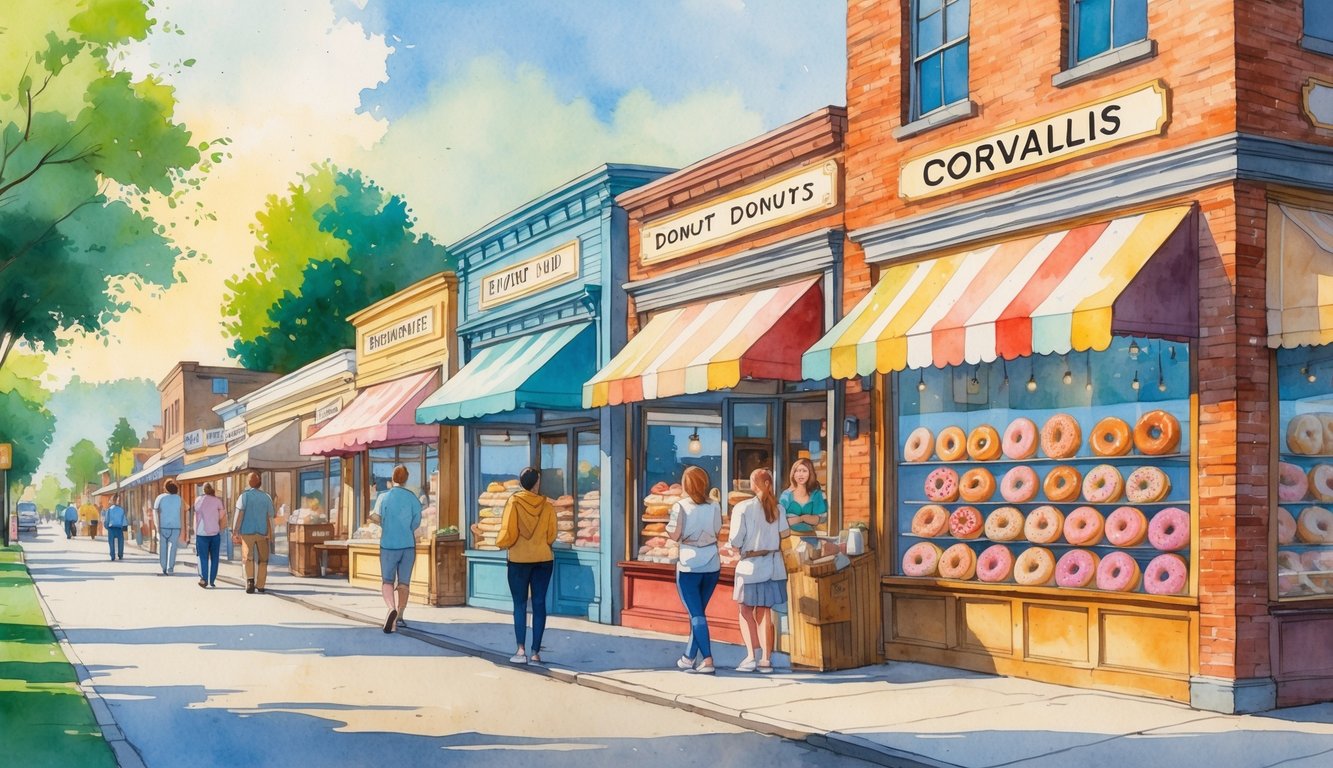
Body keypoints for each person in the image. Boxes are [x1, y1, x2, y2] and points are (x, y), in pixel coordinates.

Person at [728, 467, 791, 673]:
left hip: (751, 567)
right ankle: (766, 660)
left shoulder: (742, 508)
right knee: (765, 611)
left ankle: (750, 656)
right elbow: (785, 533)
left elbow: (735, 539)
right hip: (773, 564)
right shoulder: (779, 508)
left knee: (745, 610)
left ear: (752, 485)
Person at [495, 467, 556, 665]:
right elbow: (552, 535)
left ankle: (520, 650)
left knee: (519, 605)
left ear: (521, 483)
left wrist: (490, 538)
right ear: (537, 483)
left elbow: (508, 534)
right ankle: (536, 653)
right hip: (543, 560)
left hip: (519, 560)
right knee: (539, 605)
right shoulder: (547, 505)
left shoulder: (514, 501)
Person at [666, 465, 723, 675]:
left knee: (696, 614)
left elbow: (674, 534)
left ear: (685, 485)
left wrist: (669, 529)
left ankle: (707, 660)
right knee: (698, 613)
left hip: (689, 563)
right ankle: (689, 658)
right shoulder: (715, 506)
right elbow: (718, 530)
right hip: (712, 564)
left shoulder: (679, 506)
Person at [371, 465, 422, 633]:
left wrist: (383, 522)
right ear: (406, 479)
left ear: (392, 479)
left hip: (388, 545)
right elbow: (416, 523)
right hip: (408, 545)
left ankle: (391, 608)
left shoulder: (383, 497)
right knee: (404, 583)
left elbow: (376, 517)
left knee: (387, 581)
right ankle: (400, 615)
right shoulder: (413, 498)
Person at [232, 472, 275, 594]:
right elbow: (270, 516)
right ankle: (261, 584)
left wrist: (235, 531)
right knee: (264, 559)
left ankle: (250, 581)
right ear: (259, 482)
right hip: (262, 532)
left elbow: (239, 515)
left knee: (248, 558)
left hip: (247, 532)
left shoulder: (244, 496)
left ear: (248, 482)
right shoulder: (266, 497)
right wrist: (271, 533)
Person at [192, 483, 227, 589]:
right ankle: (212, 580)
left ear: (203, 491)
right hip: (215, 533)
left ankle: (204, 579)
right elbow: (222, 516)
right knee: (215, 557)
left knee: (203, 557)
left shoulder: (198, 500)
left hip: (201, 533)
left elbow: (196, 512)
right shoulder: (218, 501)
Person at [779, 458, 828, 534]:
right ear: (793, 473)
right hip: (788, 539)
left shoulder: (816, 494)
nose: (800, 474)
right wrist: (803, 518)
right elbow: (781, 521)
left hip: (811, 537)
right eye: (798, 471)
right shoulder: (786, 495)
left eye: (804, 471)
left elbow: (819, 519)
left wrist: (799, 518)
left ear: (810, 473)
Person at [153, 482, 187, 575]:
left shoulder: (160, 498)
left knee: (163, 547)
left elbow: (156, 513)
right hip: (176, 527)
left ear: (166, 488)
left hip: (163, 526)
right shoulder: (179, 499)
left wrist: (157, 526)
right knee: (173, 548)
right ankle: (170, 568)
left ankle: (163, 567)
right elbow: (182, 515)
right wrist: (183, 528)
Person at [103, 494, 129, 561]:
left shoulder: (109, 510)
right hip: (119, 528)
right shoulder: (121, 510)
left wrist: (107, 527)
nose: (118, 501)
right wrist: (125, 526)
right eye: (118, 500)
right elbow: (124, 520)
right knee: (121, 542)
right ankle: (120, 555)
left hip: (111, 528)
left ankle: (112, 556)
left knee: (111, 542)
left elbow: (106, 520)